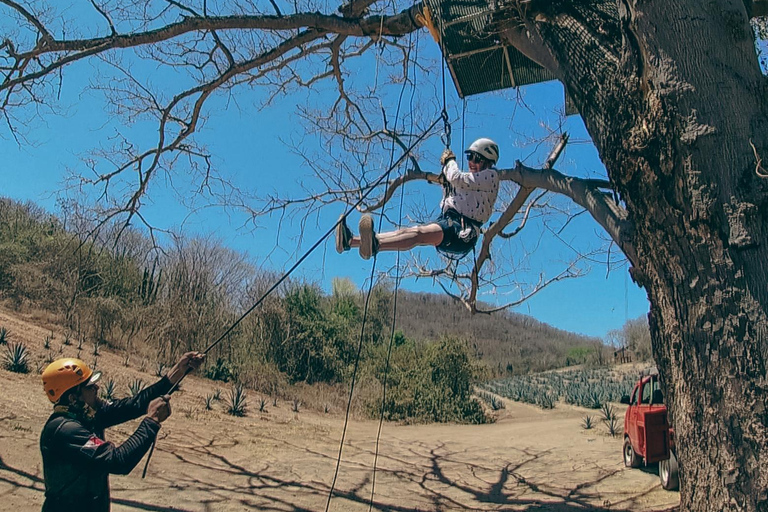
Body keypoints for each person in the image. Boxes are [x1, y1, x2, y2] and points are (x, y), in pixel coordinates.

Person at [39, 351, 205, 512]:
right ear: (73, 398)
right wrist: (152, 421)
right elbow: (118, 461)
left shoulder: (87, 413)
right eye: (89, 386)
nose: (97, 387)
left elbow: (133, 405)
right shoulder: (65, 430)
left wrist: (177, 372)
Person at [336, 138, 501, 259]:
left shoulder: (491, 177)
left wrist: (450, 162)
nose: (472, 162)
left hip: (462, 230)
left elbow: (456, 177)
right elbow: (453, 188)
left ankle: (374, 245)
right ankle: (350, 242)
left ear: (488, 162)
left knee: (417, 234)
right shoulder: (471, 183)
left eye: (477, 159)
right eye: (470, 157)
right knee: (409, 232)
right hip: (451, 221)